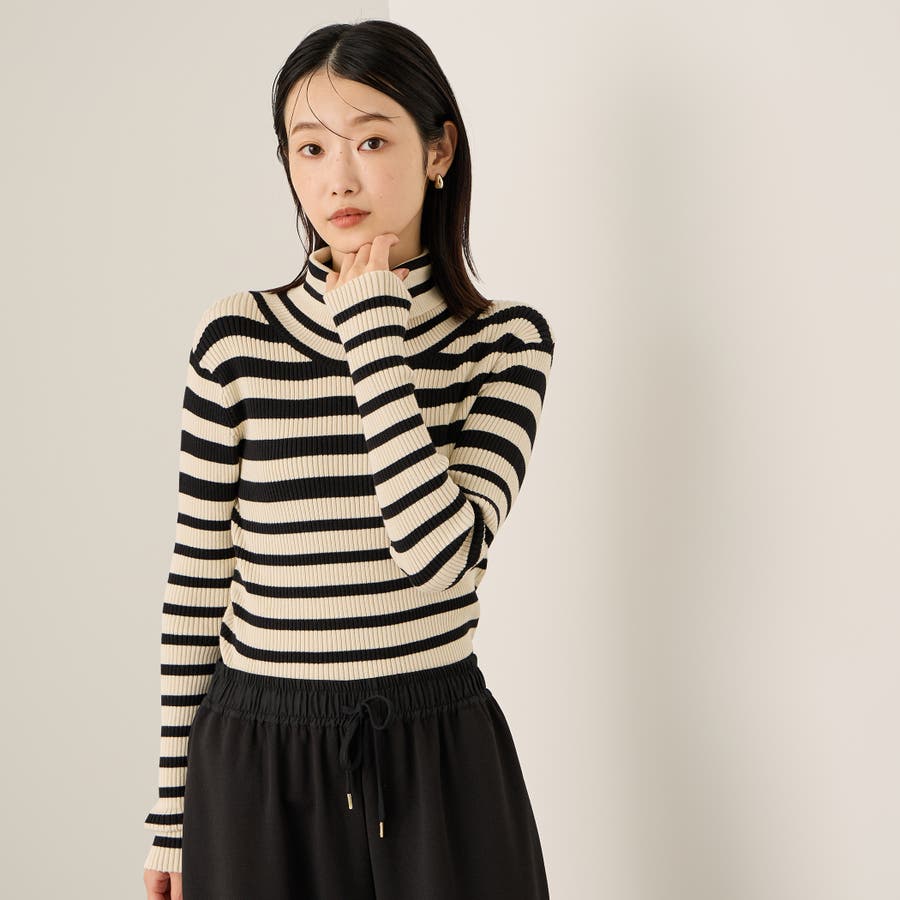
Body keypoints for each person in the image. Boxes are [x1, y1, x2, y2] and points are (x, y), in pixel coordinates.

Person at [142, 18, 555, 900]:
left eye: (371, 140)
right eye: (310, 147)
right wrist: (171, 818)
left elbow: (439, 558)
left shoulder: (504, 344)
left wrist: (373, 337)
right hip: (258, 766)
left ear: (439, 150)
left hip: (435, 755)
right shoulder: (237, 339)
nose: (338, 177)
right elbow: (197, 581)